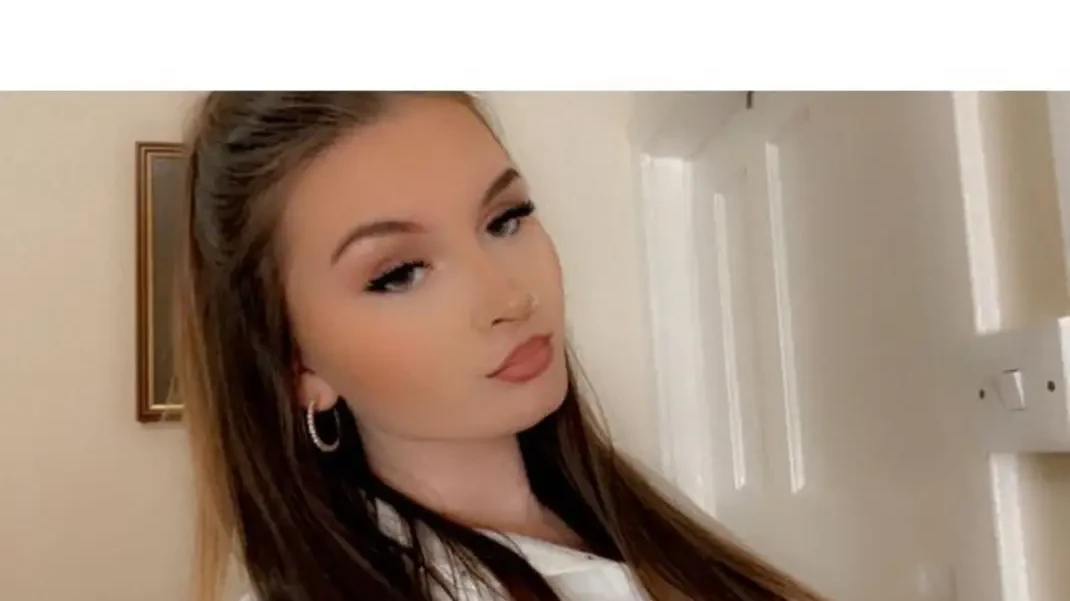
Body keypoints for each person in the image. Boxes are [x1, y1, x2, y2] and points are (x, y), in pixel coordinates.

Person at [174, 92, 827, 601]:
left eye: (505, 219)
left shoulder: (633, 524)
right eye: (400, 273)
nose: (509, 297)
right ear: (298, 365)